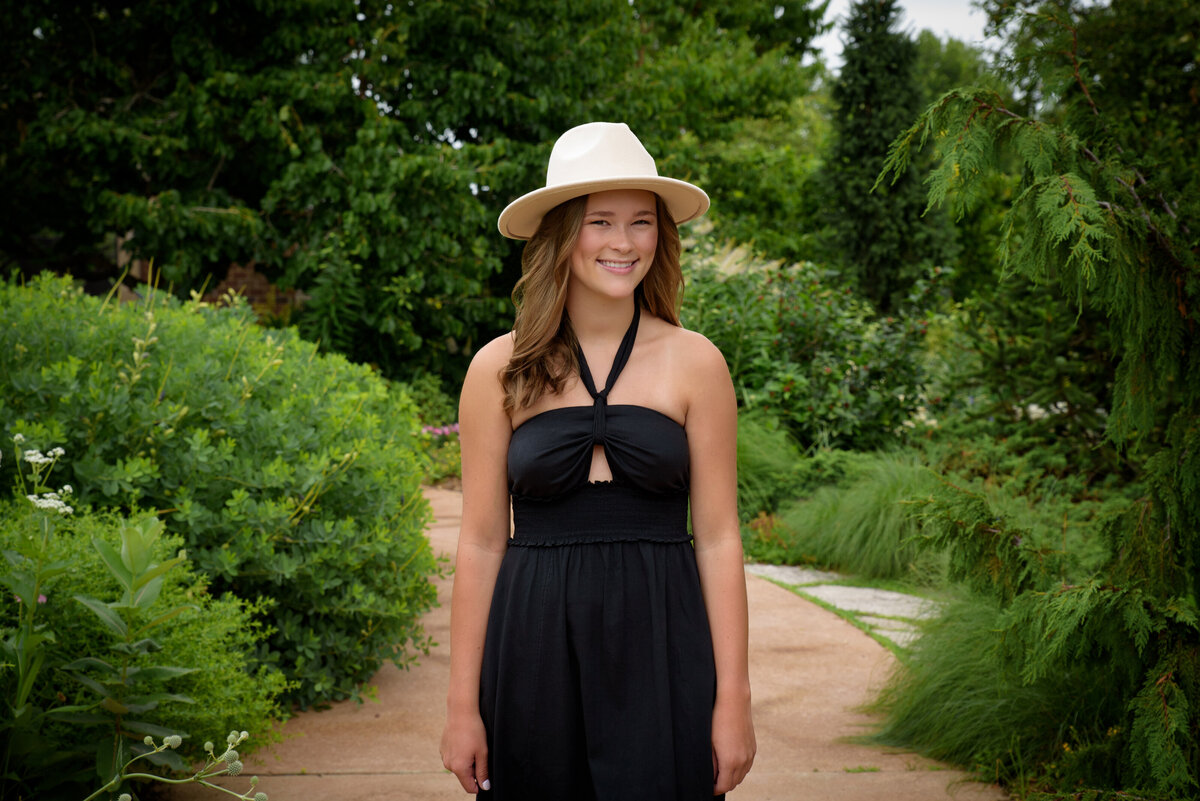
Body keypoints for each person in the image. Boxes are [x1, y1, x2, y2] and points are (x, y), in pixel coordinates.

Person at [440, 121, 755, 800]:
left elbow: (721, 537)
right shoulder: (497, 368)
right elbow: (483, 540)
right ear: (560, 233)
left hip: (665, 643)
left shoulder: (697, 363)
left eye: (642, 222)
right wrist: (462, 705)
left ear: (660, 237)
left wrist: (733, 697)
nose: (623, 241)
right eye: (600, 221)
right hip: (531, 646)